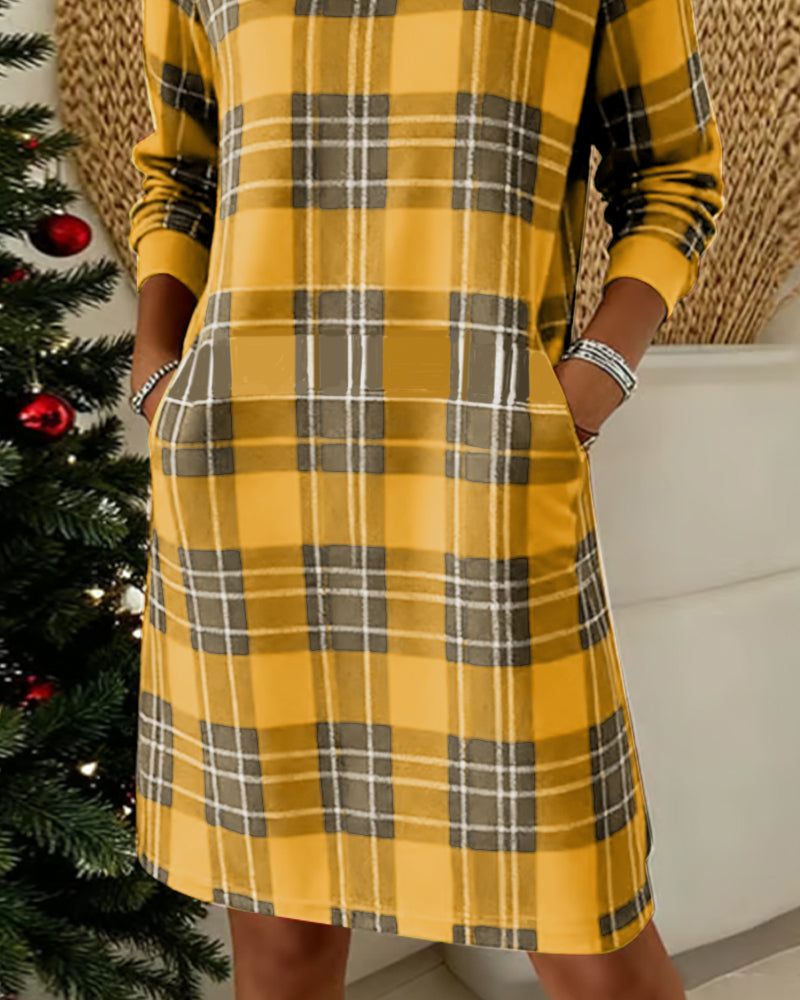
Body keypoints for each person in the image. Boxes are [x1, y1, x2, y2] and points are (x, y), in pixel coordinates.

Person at [127, 0, 724, 997]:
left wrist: (594, 376)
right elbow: (181, 176)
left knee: (585, 926)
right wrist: (158, 368)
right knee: (282, 932)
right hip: (246, 471)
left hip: (481, 471)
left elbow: (672, 173)